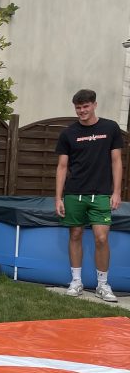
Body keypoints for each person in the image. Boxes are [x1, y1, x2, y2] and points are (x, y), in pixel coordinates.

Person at [55, 89, 124, 301]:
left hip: (101, 194)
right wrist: (58, 197)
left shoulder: (110, 128)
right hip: (74, 193)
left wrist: (116, 192)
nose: (81, 111)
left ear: (94, 105)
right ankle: (76, 282)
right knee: (75, 235)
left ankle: (103, 285)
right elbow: (62, 166)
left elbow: (116, 161)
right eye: (78, 107)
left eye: (85, 106)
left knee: (101, 238)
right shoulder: (68, 133)